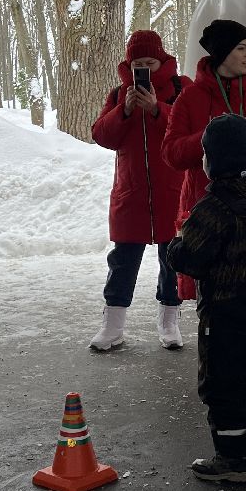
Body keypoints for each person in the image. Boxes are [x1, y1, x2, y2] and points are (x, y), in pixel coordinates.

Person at [167, 115, 246, 484]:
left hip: (224, 308)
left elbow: (192, 259)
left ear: (213, 160)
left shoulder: (211, 209)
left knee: (220, 381)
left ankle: (232, 458)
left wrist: (177, 243)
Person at [163, 20, 246, 301]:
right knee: (208, 294)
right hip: (204, 208)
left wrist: (244, 153)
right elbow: (171, 153)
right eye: (241, 48)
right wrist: (209, 138)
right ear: (222, 52)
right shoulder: (189, 98)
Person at [88, 29, 187, 351]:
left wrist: (158, 109)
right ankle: (112, 326)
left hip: (174, 192)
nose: (144, 69)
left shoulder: (179, 89)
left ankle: (169, 321)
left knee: (173, 260)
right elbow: (102, 136)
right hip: (130, 195)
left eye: (150, 63)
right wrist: (125, 111)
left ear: (162, 61)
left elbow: (192, 130)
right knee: (122, 261)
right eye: (137, 64)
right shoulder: (119, 95)